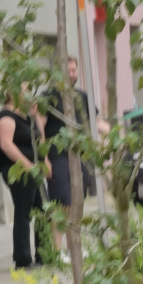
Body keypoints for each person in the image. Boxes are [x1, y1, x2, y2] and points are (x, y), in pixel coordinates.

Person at [0, 91, 46, 270]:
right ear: (12, 93)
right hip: (18, 171)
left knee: (43, 211)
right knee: (24, 212)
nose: (29, 95)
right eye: (25, 90)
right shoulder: (6, 116)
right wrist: (29, 166)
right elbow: (6, 145)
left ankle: (44, 255)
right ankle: (22, 259)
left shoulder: (26, 118)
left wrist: (36, 118)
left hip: (33, 172)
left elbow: (41, 142)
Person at [42, 57, 105, 208]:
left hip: (81, 157)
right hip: (57, 158)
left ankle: (74, 233)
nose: (71, 74)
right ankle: (56, 233)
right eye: (67, 71)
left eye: (73, 70)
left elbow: (97, 123)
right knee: (62, 204)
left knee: (77, 204)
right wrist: (44, 160)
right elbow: (39, 130)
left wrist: (120, 137)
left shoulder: (82, 97)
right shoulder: (47, 97)